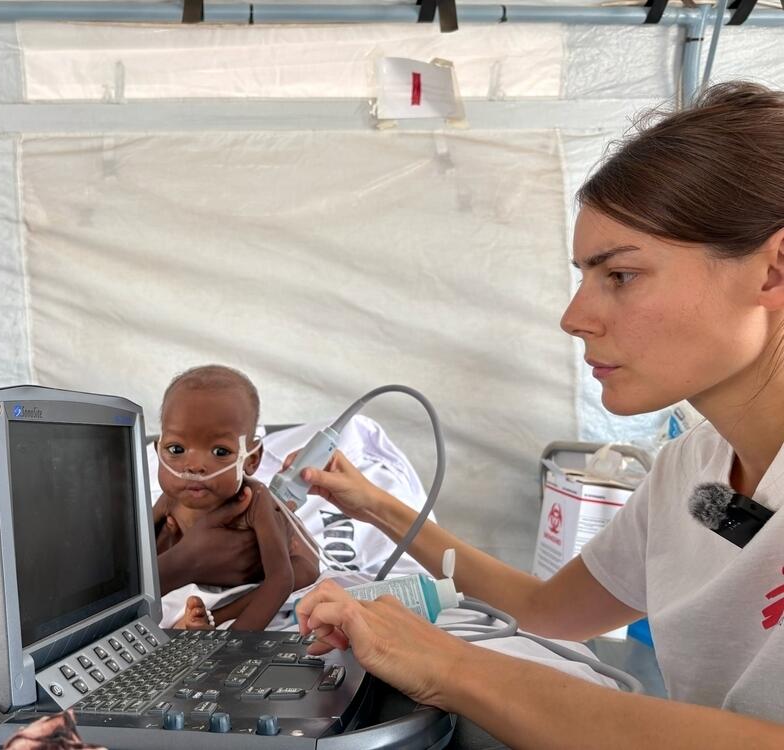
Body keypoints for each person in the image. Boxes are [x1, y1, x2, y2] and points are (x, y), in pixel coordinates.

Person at [294, 81, 784, 748]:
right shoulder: (695, 476)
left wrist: (448, 667)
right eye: (583, 276)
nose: (575, 318)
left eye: (622, 276)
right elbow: (552, 611)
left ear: (773, 270)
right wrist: (376, 505)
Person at [152, 364, 318, 629]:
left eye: (219, 452)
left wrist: (237, 642)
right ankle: (201, 616)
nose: (193, 466)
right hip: (206, 572)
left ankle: (220, 616)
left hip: (265, 573)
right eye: (176, 448)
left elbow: (280, 578)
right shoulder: (171, 498)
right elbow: (134, 555)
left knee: (304, 570)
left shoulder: (255, 503)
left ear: (251, 459)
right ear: (158, 449)